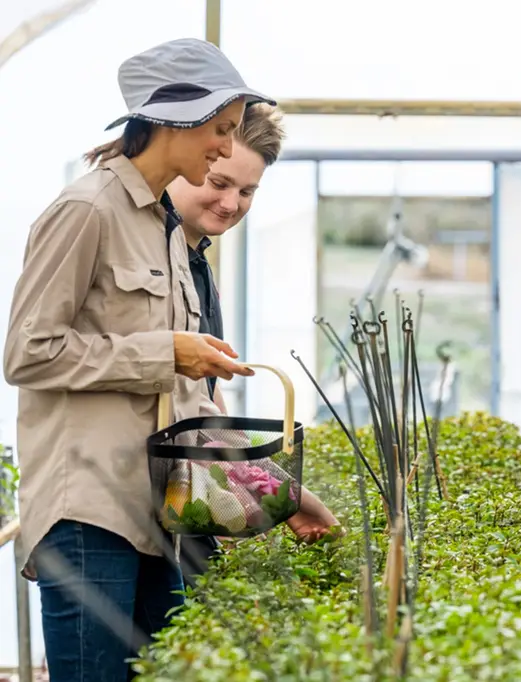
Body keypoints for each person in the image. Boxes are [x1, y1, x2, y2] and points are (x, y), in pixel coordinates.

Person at [3, 38, 273, 681]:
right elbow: (26, 352)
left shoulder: (164, 230)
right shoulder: (85, 209)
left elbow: (182, 399)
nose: (221, 146)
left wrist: (274, 491)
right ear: (170, 121)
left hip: (157, 516)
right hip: (88, 513)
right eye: (219, 129)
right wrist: (165, 351)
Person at [167, 103, 340, 589]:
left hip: (180, 497)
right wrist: (279, 492)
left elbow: (205, 401)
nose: (231, 204)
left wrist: (266, 491)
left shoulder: (197, 260)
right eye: (218, 183)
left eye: (247, 191)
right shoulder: (155, 256)